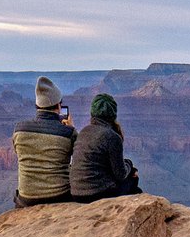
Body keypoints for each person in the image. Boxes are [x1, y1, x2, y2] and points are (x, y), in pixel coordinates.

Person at [11, 76, 76, 207]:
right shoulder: (68, 133)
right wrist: (71, 128)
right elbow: (81, 156)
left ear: (37, 106)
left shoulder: (19, 130)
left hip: (26, 198)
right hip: (59, 196)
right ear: (59, 105)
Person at [70, 93, 142, 202]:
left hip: (76, 193)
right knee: (133, 180)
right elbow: (120, 174)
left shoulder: (83, 132)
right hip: (96, 194)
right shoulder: (112, 137)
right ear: (113, 114)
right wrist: (129, 165)